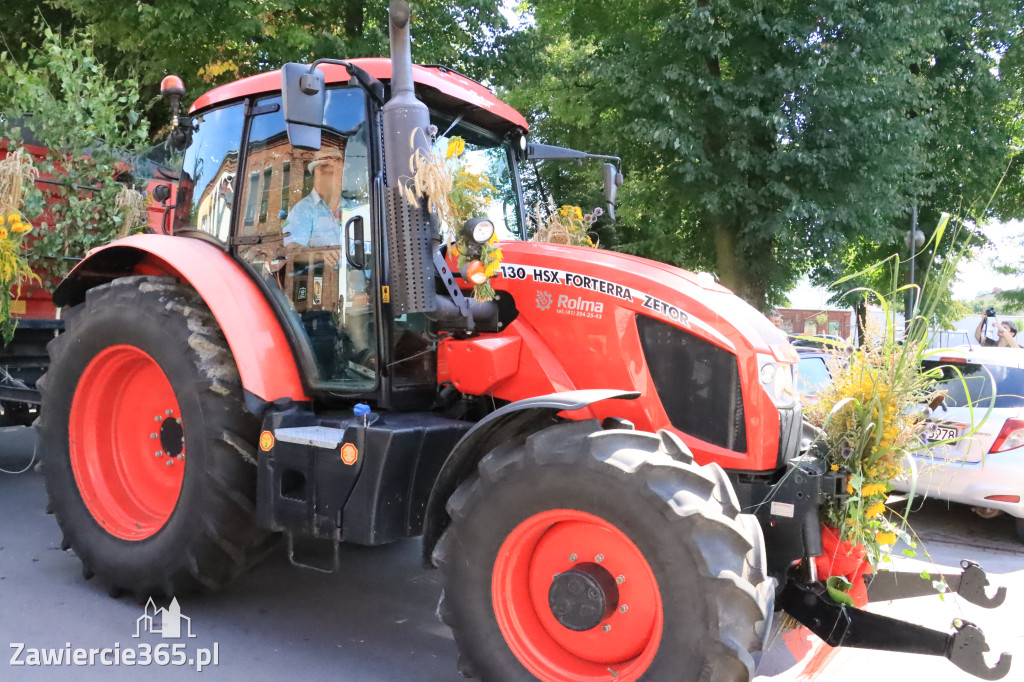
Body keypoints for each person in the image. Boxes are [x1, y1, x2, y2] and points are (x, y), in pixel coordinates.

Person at [284, 145, 347, 248]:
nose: (342, 176)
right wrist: (321, 256)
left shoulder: (353, 207)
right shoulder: (302, 210)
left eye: (342, 171)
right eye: (335, 171)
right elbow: (294, 253)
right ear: (319, 174)